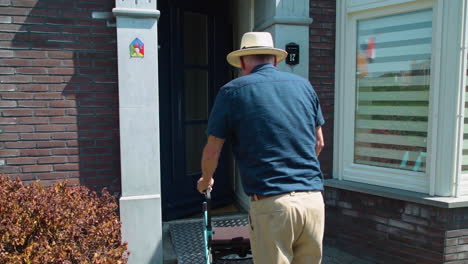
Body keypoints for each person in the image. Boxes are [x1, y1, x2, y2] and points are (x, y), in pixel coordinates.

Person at [197, 32, 325, 264]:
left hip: (272, 205)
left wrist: (206, 180)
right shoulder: (304, 86)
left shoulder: (232, 91)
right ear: (275, 60)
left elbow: (212, 149)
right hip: (314, 201)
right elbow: (319, 143)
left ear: (244, 62)